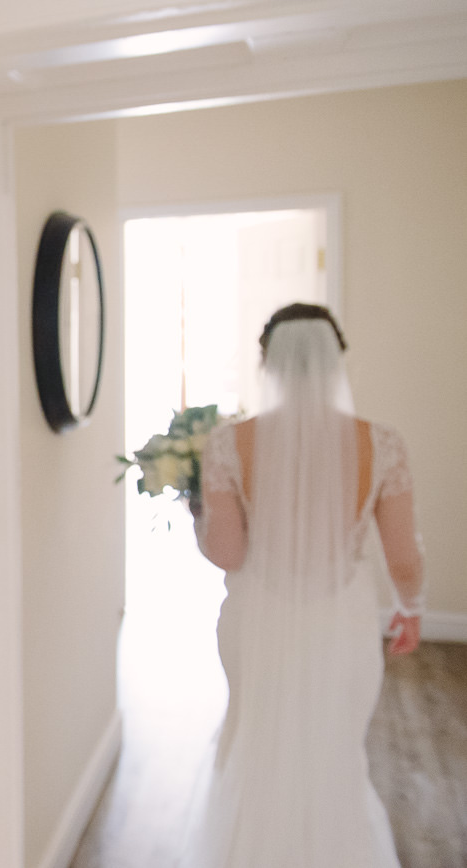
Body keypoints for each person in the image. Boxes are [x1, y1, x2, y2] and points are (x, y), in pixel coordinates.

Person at [183, 303, 425, 867]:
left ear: (268, 363)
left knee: (255, 746)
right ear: (336, 360)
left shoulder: (228, 443)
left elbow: (229, 553)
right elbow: (403, 557)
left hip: (256, 619)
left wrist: (199, 517)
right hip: (341, 622)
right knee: (335, 753)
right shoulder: (381, 443)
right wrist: (409, 608)